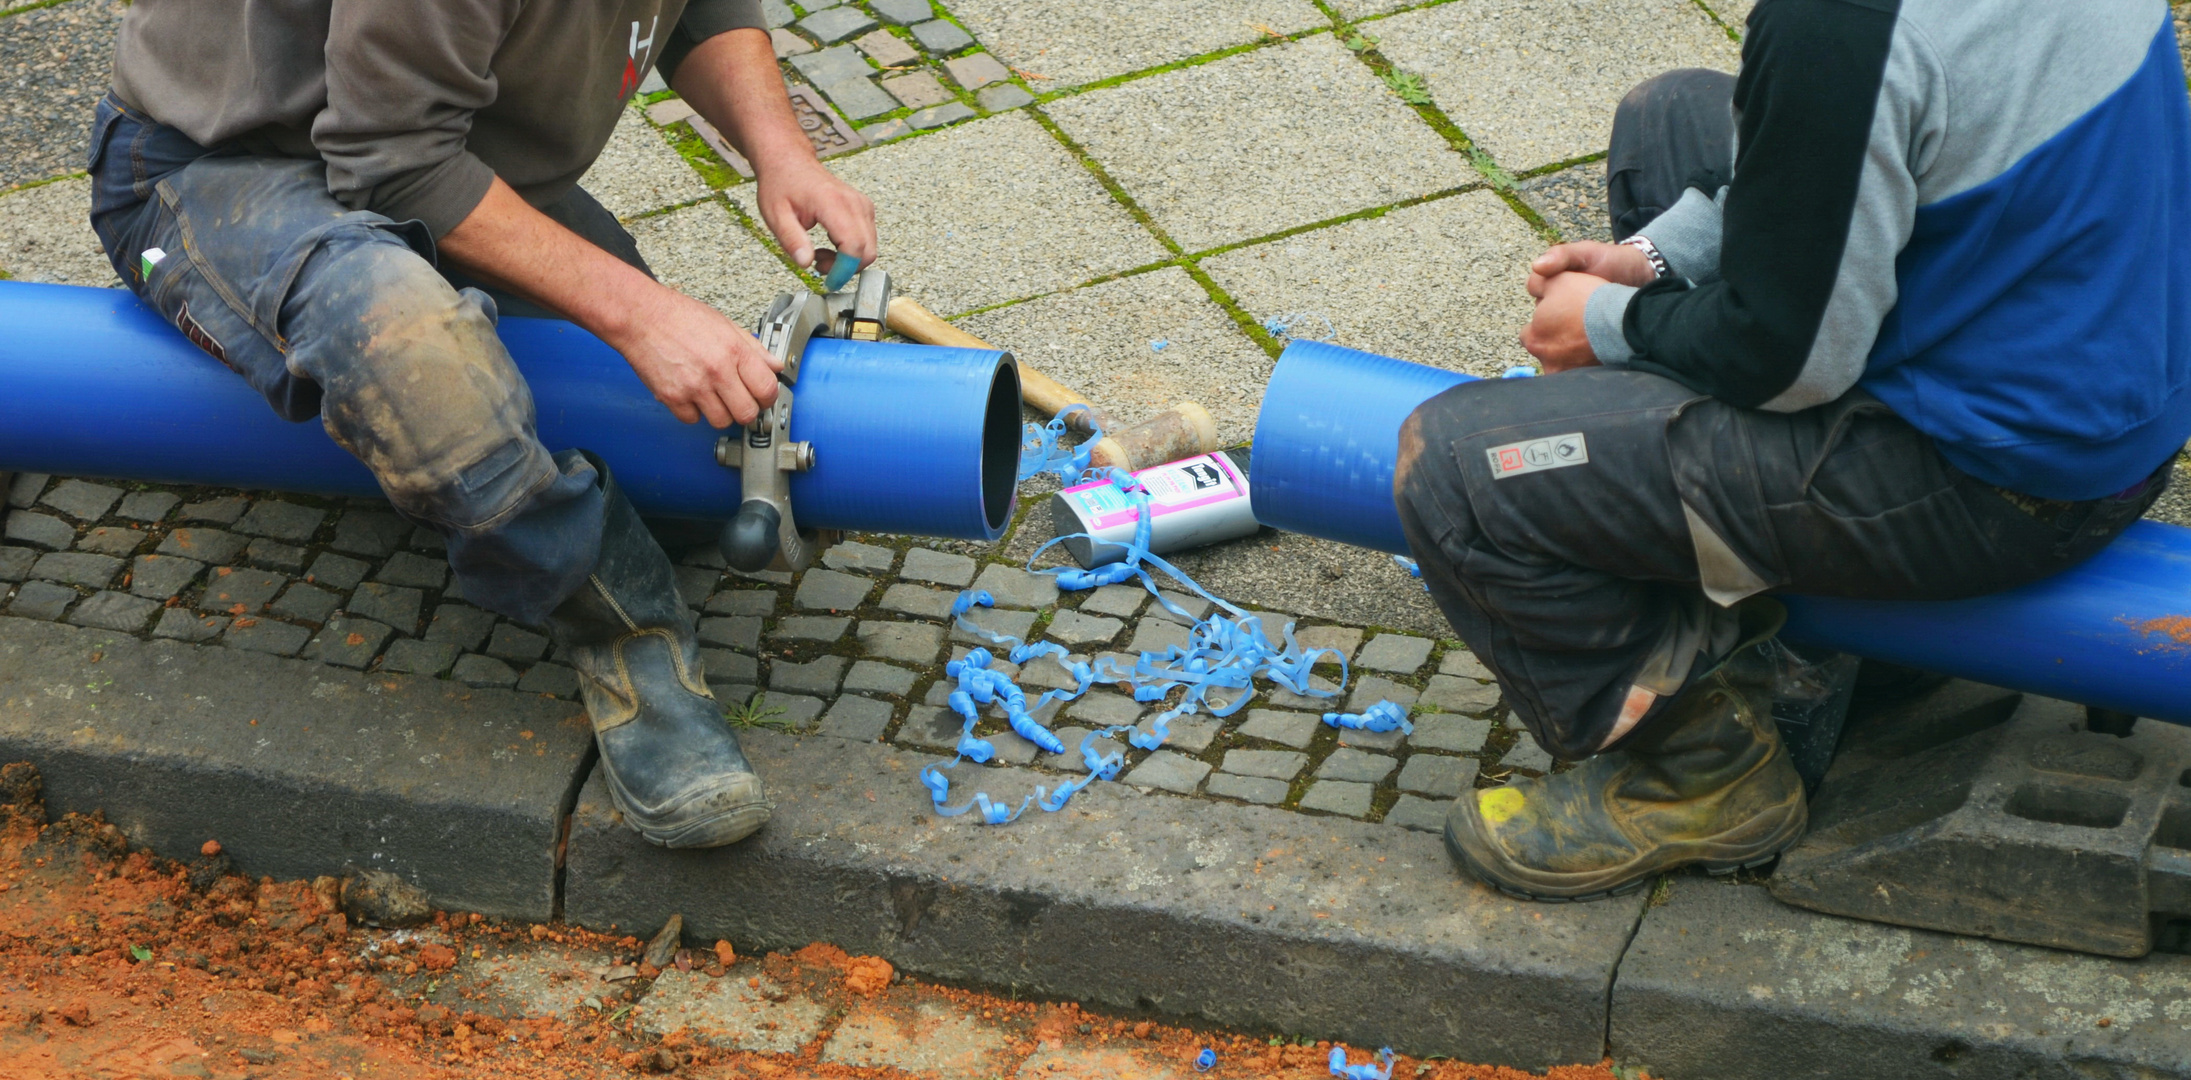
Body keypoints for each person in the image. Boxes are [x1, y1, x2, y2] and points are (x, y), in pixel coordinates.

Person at [1398, 0, 2189, 900]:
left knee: (1461, 468)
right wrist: (1655, 260)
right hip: (2103, 390)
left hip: (1997, 487)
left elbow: (1786, 362)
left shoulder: (1838, 23)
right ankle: (1721, 541)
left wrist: (1610, 324)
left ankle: (1702, 776)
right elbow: (1852, 142)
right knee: (1671, 116)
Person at [87, 0, 879, 850]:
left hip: (447, 152)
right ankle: (626, 637)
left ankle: (458, 465)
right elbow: (391, 161)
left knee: (680, 488)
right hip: (226, 166)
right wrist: (642, 316)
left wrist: (781, 151)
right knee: (412, 349)